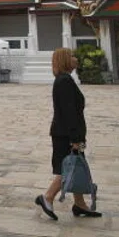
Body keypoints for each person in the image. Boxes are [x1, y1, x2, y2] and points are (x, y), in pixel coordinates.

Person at [35, 48, 101, 221]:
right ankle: (48, 197)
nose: (75, 58)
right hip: (67, 134)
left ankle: (80, 203)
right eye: (71, 56)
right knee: (69, 167)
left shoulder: (65, 79)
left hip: (69, 133)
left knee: (76, 165)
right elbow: (69, 112)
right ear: (65, 60)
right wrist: (75, 139)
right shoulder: (64, 81)